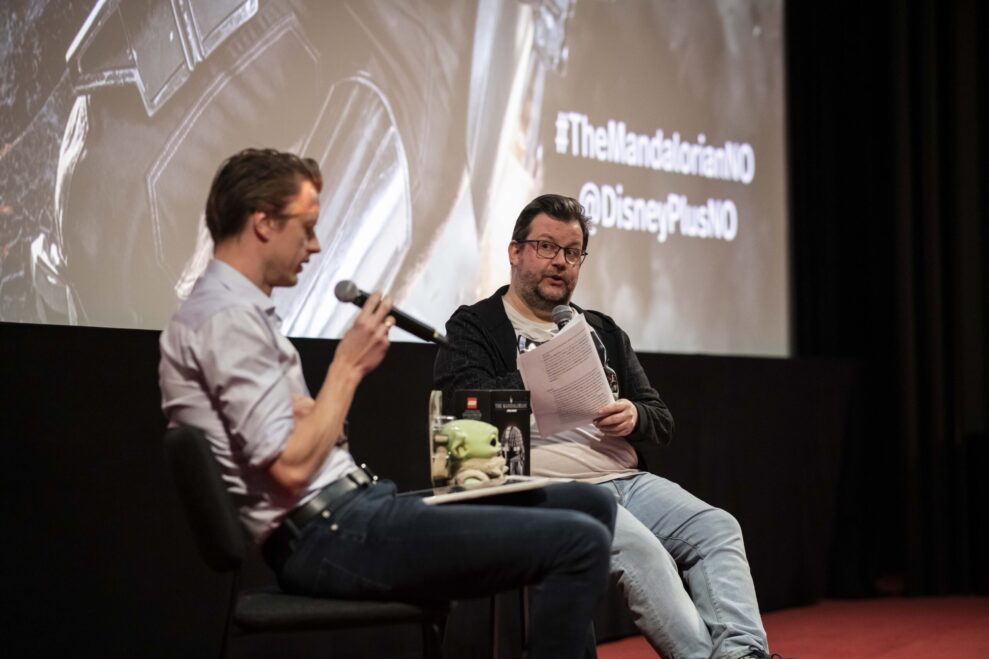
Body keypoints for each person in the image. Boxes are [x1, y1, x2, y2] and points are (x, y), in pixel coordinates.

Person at [158, 150, 617, 659]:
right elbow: (290, 468)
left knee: (592, 504)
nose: (315, 244)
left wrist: (319, 418)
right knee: (580, 542)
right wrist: (347, 365)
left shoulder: (237, 314)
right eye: (306, 227)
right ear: (263, 222)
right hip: (328, 534)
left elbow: (301, 439)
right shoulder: (225, 320)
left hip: (353, 511)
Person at [434, 194, 782, 659]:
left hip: (625, 478)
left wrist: (634, 415)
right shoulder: (475, 325)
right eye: (546, 247)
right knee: (641, 549)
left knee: (717, 528)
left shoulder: (600, 329)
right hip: (547, 486)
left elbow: (660, 418)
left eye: (572, 252)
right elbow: (460, 402)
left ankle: (742, 654)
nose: (560, 262)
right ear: (515, 252)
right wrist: (543, 368)